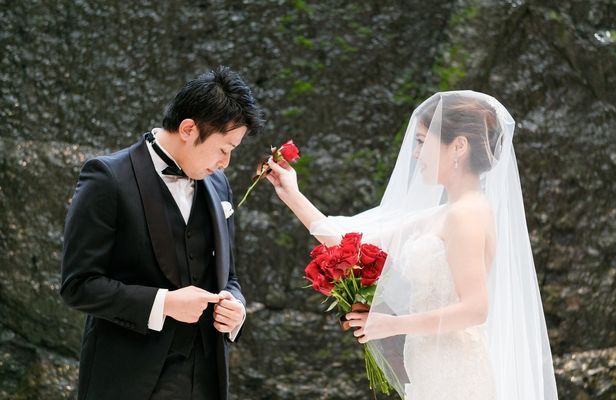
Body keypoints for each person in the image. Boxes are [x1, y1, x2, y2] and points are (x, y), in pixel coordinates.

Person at [267, 91, 558, 399]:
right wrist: (291, 194)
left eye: (422, 142)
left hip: (456, 374)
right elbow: (351, 244)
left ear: (459, 147)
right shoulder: (446, 213)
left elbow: (475, 309)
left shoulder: (466, 214)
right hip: (430, 369)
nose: (416, 153)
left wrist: (392, 325)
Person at [60, 65, 263, 400]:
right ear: (188, 129)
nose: (225, 162)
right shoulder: (107, 178)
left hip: (207, 378)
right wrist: (164, 303)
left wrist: (236, 307)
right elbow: (78, 285)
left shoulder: (218, 184)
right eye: (224, 148)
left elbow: (229, 277)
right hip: (128, 381)